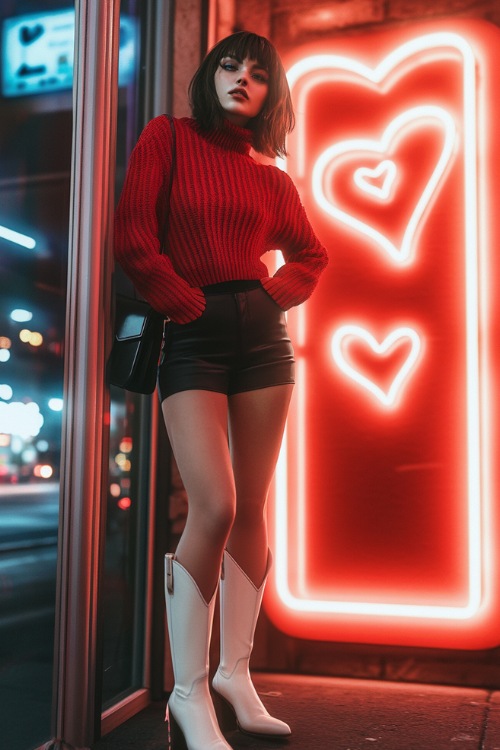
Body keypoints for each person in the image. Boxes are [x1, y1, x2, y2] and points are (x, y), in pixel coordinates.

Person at [114, 30, 328, 750]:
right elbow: (134, 237)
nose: (242, 79)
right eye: (230, 66)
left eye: (258, 73)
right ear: (208, 76)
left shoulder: (271, 173)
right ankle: (187, 689)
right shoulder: (167, 137)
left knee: (254, 508)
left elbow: (312, 253)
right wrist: (183, 300)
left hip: (263, 339)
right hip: (194, 334)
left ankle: (236, 673)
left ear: (271, 94)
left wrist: (274, 297)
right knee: (215, 502)